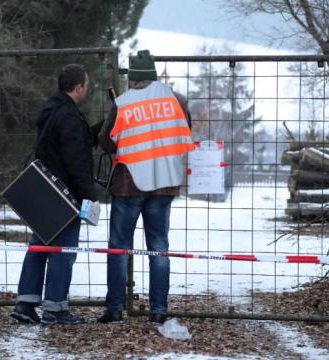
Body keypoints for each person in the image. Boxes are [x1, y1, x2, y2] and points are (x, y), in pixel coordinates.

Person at [97, 50, 194, 325]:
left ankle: (115, 309)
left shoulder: (123, 103)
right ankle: (159, 310)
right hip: (164, 184)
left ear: (133, 79)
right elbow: (185, 130)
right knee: (159, 247)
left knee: (118, 247)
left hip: (128, 185)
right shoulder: (177, 100)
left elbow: (106, 140)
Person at [10, 64, 101, 325]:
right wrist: (89, 195)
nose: (88, 89)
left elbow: (71, 143)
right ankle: (56, 308)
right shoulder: (70, 116)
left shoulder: (52, 110)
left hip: (45, 191)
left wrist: (98, 129)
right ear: (78, 87)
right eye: (86, 85)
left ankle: (25, 303)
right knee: (63, 251)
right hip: (64, 196)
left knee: (38, 247)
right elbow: (76, 159)